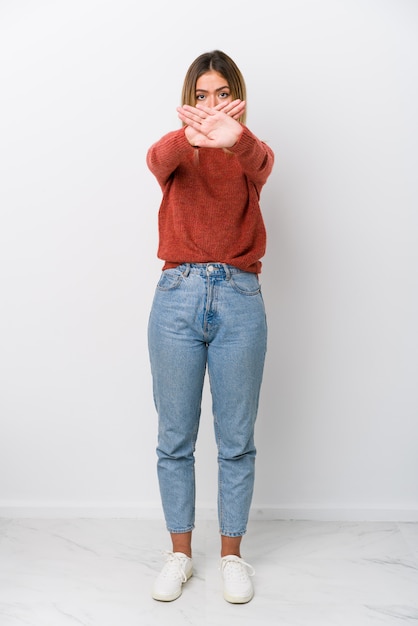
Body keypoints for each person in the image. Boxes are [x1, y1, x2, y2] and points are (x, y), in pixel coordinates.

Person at [146, 49, 274, 604]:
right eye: (201, 96)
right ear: (188, 98)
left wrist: (233, 137)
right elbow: (154, 161)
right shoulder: (178, 150)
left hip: (240, 297)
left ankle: (230, 557)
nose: (211, 105)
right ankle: (180, 554)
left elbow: (264, 163)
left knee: (236, 440)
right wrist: (190, 137)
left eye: (222, 94)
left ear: (237, 97)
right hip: (177, 297)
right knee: (175, 437)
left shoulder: (248, 153)